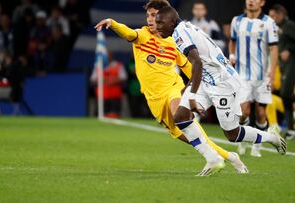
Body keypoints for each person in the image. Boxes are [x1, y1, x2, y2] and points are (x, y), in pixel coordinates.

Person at [95, 0, 247, 176]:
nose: (150, 20)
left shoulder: (175, 42)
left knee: (179, 115)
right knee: (182, 133)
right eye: (148, 16)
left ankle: (213, 159)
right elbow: (128, 33)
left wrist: (202, 88)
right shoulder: (143, 35)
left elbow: (189, 69)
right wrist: (113, 23)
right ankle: (228, 155)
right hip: (154, 98)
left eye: (154, 16)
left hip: (174, 88)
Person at [154, 6, 286, 163]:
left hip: (223, 84)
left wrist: (192, 95)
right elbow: (201, 61)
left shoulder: (179, 34)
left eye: (160, 23)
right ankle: (212, 160)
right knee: (181, 118)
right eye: (156, 23)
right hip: (207, 79)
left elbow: (197, 62)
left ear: (172, 22)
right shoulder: (184, 27)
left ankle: (271, 138)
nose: (157, 27)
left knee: (233, 135)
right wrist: (188, 87)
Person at [229, 0, 279, 157]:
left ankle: (257, 145)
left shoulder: (269, 23)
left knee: (261, 113)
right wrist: (231, 55)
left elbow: (274, 48)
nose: (251, 1)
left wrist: (272, 71)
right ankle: (244, 139)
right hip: (242, 75)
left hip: (262, 76)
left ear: (262, 2)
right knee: (243, 112)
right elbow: (232, 40)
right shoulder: (237, 21)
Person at [269, 4, 295, 140]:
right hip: (284, 64)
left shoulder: (289, 25)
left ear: (281, 14)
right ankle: (291, 129)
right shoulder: (278, 29)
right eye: (270, 16)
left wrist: (289, 49)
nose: (272, 19)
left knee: (285, 93)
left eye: (274, 16)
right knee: (286, 96)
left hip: (292, 62)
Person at [90, 51, 128, 118]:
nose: (107, 57)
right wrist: (103, 80)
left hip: (115, 96)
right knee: (101, 115)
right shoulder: (98, 66)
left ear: (111, 56)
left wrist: (113, 80)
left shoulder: (118, 65)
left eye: (108, 56)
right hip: (101, 96)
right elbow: (93, 80)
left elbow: (124, 77)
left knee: (114, 114)